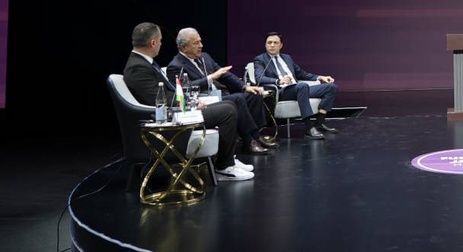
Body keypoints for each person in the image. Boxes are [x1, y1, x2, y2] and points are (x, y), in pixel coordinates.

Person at [122, 22, 254, 182]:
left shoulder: (144, 63)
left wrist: (192, 101)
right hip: (168, 120)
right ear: (153, 42)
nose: (161, 44)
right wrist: (191, 105)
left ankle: (228, 160)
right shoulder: (138, 67)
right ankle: (224, 167)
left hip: (176, 112)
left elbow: (168, 93)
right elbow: (157, 99)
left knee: (229, 104)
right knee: (227, 110)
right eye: (161, 40)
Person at [166, 27, 276, 155]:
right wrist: (210, 78)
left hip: (220, 96)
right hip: (203, 102)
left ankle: (256, 135)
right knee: (238, 99)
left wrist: (245, 87)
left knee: (254, 94)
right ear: (184, 47)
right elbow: (183, 90)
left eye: (200, 41)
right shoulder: (175, 66)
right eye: (196, 43)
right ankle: (249, 141)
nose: (201, 45)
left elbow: (224, 74)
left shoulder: (205, 57)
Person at [252, 31, 340, 140]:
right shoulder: (260, 59)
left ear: (281, 45)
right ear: (265, 45)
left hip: (299, 89)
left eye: (275, 42)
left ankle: (319, 123)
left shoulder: (287, 58)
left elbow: (301, 74)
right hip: (282, 92)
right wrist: (279, 81)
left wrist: (320, 77)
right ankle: (308, 128)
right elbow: (260, 78)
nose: (272, 45)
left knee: (331, 87)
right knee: (302, 86)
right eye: (269, 43)